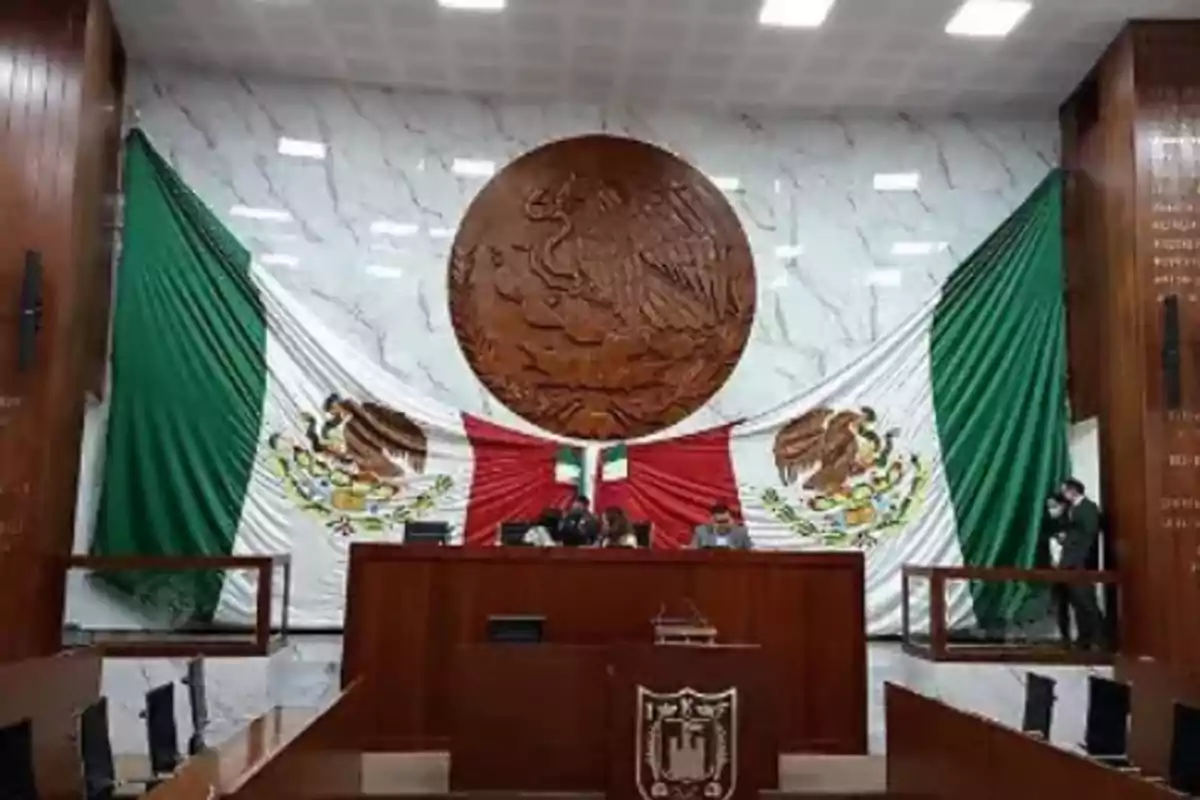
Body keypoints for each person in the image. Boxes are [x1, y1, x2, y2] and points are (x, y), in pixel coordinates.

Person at [1054, 478, 1105, 649]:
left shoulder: (1088, 508)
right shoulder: (1070, 509)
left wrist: (1079, 557)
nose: (1063, 494)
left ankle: (1101, 638)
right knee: (1077, 603)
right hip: (1068, 561)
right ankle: (1084, 638)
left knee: (1087, 602)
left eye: (1065, 491)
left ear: (1073, 490)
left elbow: (1090, 534)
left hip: (1080, 562)